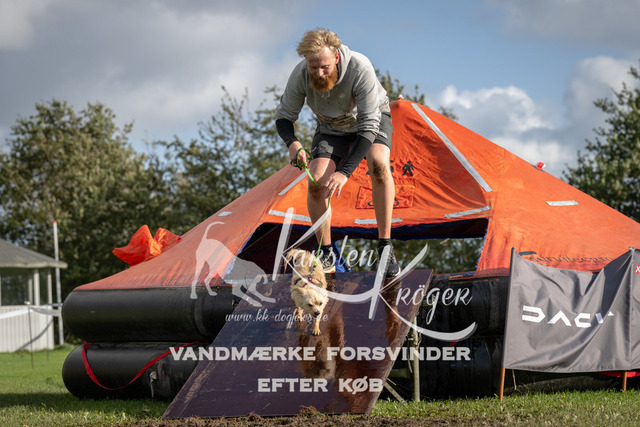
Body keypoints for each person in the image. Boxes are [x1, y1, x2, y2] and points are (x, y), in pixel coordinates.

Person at [275, 28, 399, 278]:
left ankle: (385, 247)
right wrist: (293, 143)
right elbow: (284, 117)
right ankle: (326, 251)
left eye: (325, 67)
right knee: (316, 183)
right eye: (314, 68)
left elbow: (368, 128)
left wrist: (344, 172)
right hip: (331, 128)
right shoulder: (300, 74)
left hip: (370, 121)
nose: (319, 73)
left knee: (378, 165)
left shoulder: (359, 67)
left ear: (336, 57)